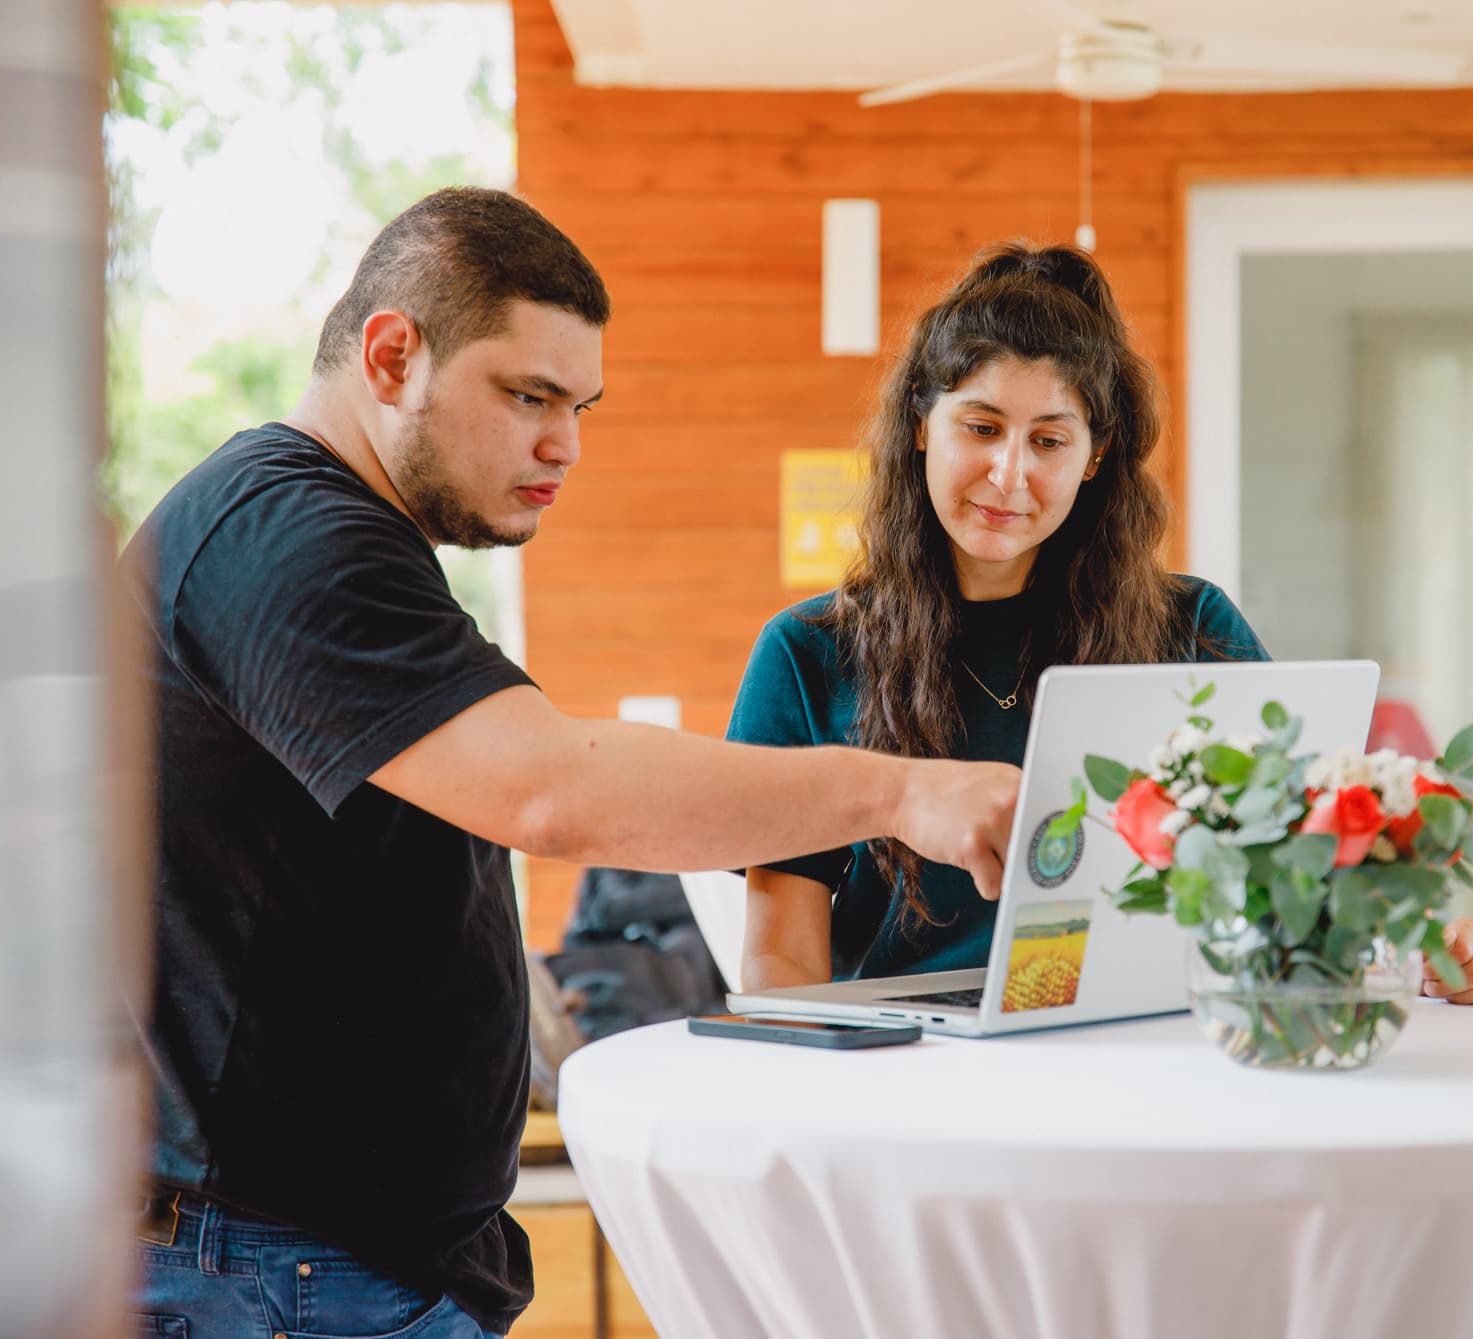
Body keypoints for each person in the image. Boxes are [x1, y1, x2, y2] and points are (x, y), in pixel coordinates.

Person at [122, 188, 1023, 1339]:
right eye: (529, 396)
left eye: (582, 405)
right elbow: (554, 792)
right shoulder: (286, 542)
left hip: (327, 1258)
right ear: (391, 354)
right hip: (279, 1268)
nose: (568, 445)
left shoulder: (340, 535)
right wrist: (902, 787)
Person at [725, 241, 1473, 1008]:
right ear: (922, 423)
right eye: (981, 426)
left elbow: (1312, 859)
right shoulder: (807, 653)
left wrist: (1421, 939)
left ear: (1095, 456)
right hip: (912, 1063)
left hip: (1151, 1041)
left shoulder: (1193, 626)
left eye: (1048, 440)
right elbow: (780, 958)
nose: (1010, 474)